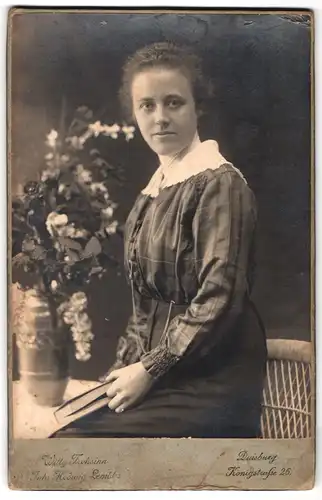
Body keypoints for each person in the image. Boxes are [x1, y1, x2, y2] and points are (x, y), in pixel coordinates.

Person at [52, 41, 267, 438]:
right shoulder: (153, 194)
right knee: (63, 430)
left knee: (74, 444)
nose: (160, 118)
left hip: (213, 382)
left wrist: (149, 369)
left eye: (174, 103)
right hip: (162, 373)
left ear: (197, 107)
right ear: (134, 114)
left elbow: (220, 297)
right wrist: (122, 371)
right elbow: (144, 306)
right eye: (146, 106)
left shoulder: (220, 185)